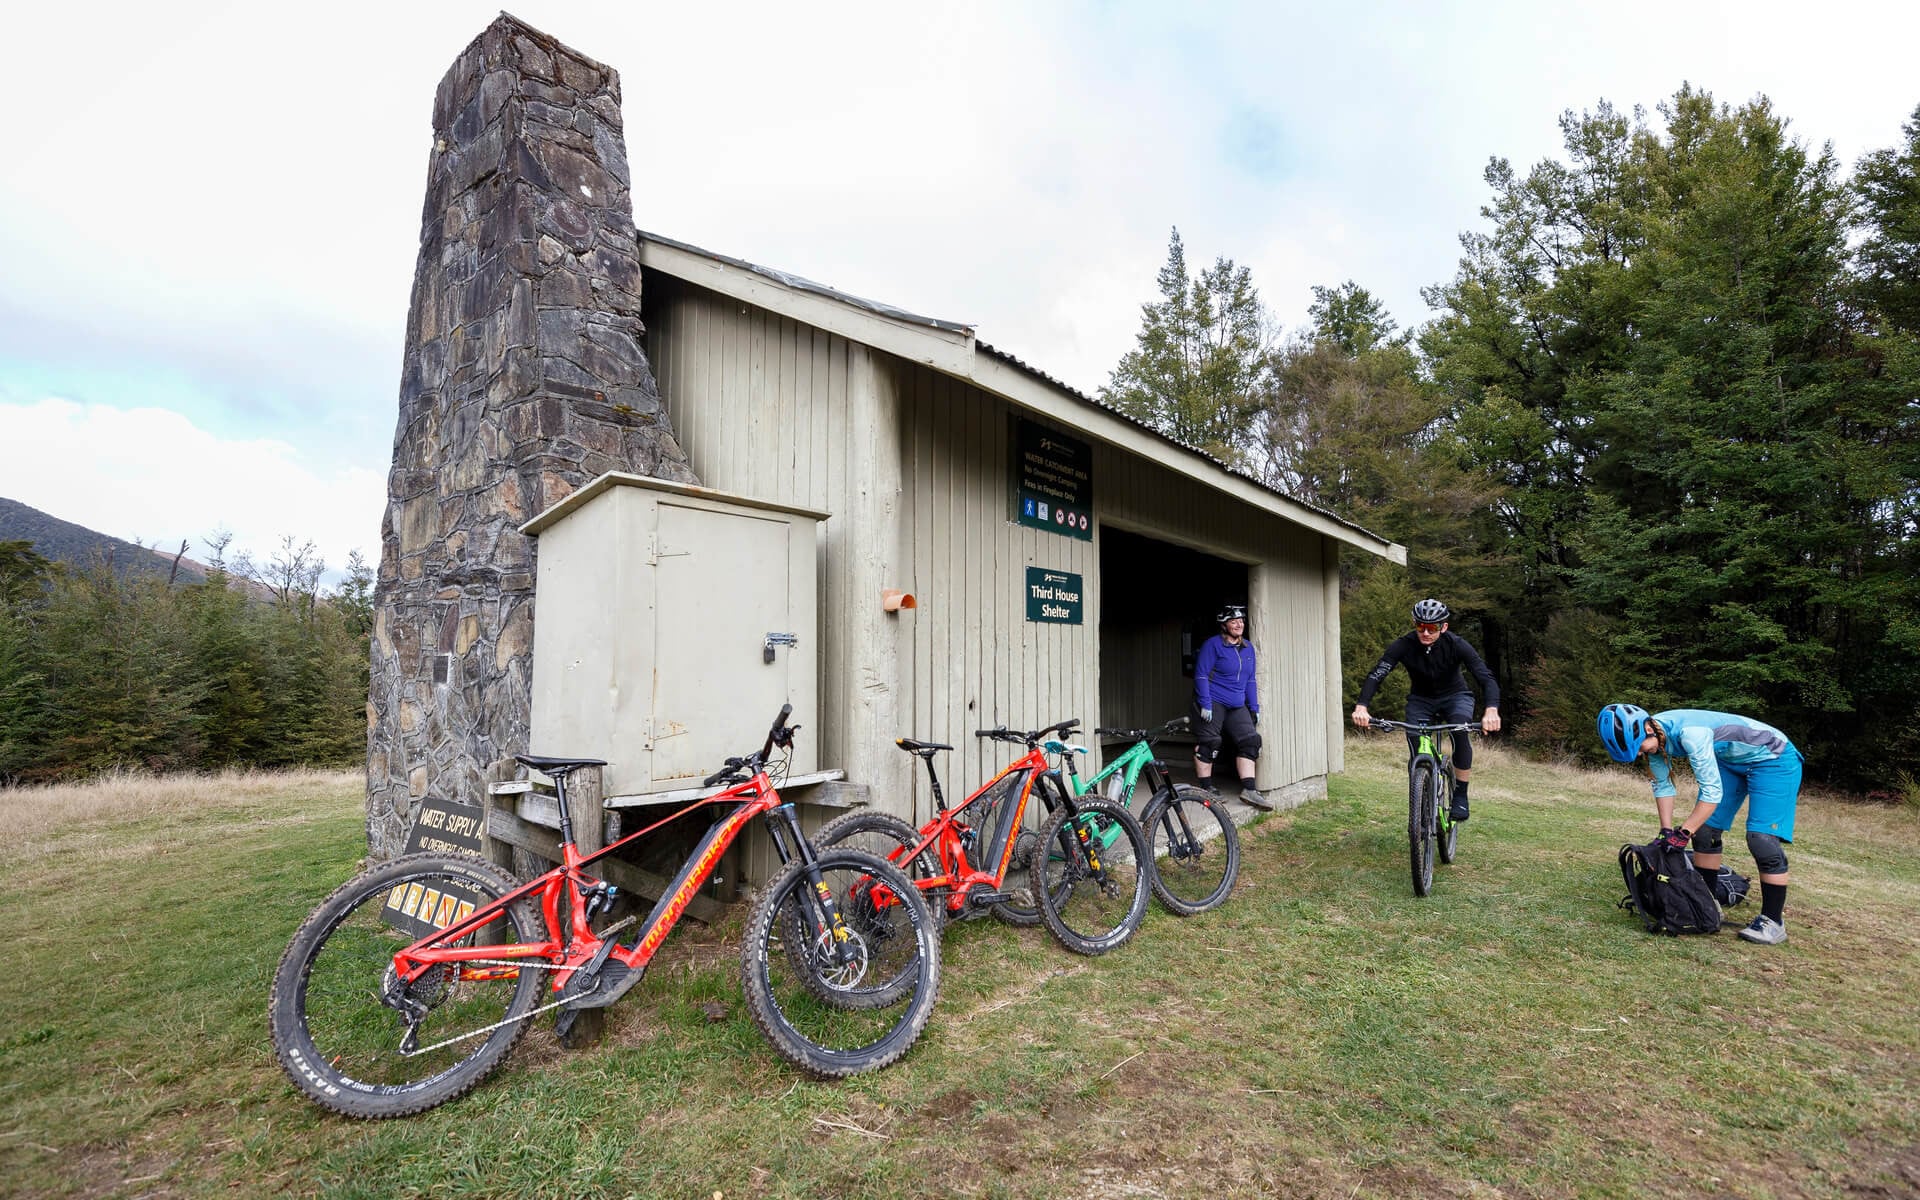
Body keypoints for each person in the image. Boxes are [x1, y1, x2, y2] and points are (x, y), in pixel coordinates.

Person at [1597, 704, 1801, 946]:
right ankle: (1707, 902)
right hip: (1731, 760)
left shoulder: (1692, 734)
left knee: (1761, 839)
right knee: (1704, 832)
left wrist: (1683, 833)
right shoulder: (1656, 740)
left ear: (1649, 728)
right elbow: (1663, 786)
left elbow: (1711, 792)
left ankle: (1773, 921)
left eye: (1639, 747)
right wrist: (1666, 831)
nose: (1641, 754)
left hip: (1773, 757)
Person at [1350, 599, 1502, 821]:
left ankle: (1461, 794)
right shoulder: (1403, 645)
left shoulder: (1457, 644)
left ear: (1444, 627)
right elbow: (1377, 674)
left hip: (1455, 697)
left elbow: (1486, 678)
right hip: (1421, 700)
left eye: (1433, 628)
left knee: (1460, 732)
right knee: (1415, 741)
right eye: (1421, 626)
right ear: (1414, 624)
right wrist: (1362, 706)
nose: (1426, 633)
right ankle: (1422, 793)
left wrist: (1491, 710)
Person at [1193, 604, 1272, 810]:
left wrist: (1254, 706)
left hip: (1237, 703)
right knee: (1209, 742)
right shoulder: (1213, 645)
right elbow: (1201, 674)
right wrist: (1205, 703)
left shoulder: (1248, 648)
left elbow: (1250, 680)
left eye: (1241, 620)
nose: (1239, 624)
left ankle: (1250, 790)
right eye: (1233, 621)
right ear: (1224, 625)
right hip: (1215, 700)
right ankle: (1206, 788)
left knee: (1251, 741)